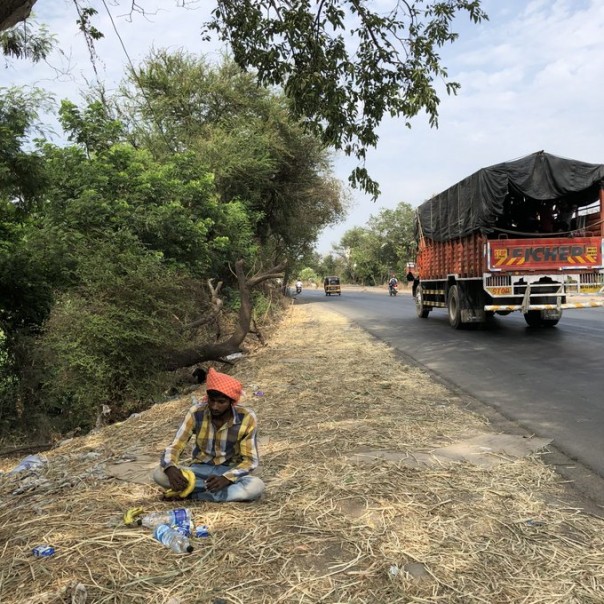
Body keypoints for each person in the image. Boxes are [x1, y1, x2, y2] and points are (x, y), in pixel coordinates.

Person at [152, 367, 265, 502]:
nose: (215, 406)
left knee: (256, 486)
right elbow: (176, 445)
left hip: (229, 470)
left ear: (231, 402)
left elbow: (250, 460)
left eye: (221, 402)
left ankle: (193, 494)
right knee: (159, 474)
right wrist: (170, 467)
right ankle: (214, 493)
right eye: (211, 400)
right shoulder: (196, 412)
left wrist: (227, 478)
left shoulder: (247, 417)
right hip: (199, 470)